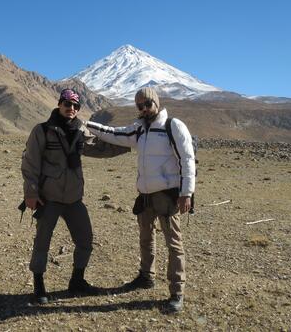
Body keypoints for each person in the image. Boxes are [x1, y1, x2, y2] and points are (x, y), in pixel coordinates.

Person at [85, 87, 196, 312]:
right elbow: (114, 133)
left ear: (156, 102)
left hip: (167, 195)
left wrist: (187, 193)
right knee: (146, 238)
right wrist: (86, 124)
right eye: (140, 106)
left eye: (147, 104)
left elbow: (187, 159)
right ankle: (146, 276)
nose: (144, 109)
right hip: (145, 194)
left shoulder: (172, 126)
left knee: (174, 243)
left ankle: (177, 292)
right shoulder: (139, 130)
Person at [21, 88, 128, 304]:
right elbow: (30, 162)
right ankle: (39, 286)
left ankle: (77, 281)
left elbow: (99, 148)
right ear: (59, 104)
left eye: (76, 106)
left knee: (85, 240)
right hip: (48, 198)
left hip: (74, 198)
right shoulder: (42, 130)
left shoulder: (81, 130)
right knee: (42, 241)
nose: (71, 109)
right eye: (67, 104)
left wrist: (129, 145)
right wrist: (31, 192)